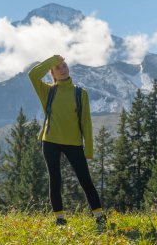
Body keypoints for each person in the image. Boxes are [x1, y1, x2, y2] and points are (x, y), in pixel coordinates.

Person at [28, 55, 107, 229]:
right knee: (55, 179)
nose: (63, 69)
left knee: (85, 180)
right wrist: (52, 60)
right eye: (59, 67)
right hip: (50, 142)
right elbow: (33, 75)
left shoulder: (80, 93)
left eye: (64, 65)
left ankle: (99, 216)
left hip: (74, 144)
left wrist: (89, 149)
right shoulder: (48, 91)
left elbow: (86, 122)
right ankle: (60, 219)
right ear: (53, 73)